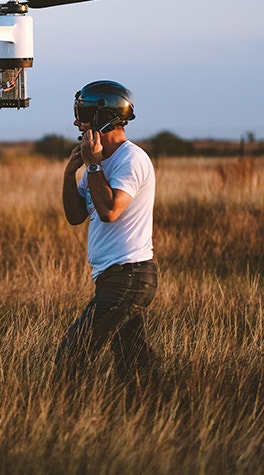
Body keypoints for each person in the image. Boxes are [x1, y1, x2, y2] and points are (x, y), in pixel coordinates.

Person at [55, 80, 158, 386]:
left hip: (130, 276)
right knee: (134, 366)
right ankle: (157, 413)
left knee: (73, 354)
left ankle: (63, 417)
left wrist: (93, 165)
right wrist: (68, 174)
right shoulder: (99, 162)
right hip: (113, 277)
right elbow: (76, 216)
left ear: (104, 117)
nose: (76, 121)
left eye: (83, 114)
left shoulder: (131, 160)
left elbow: (109, 211)